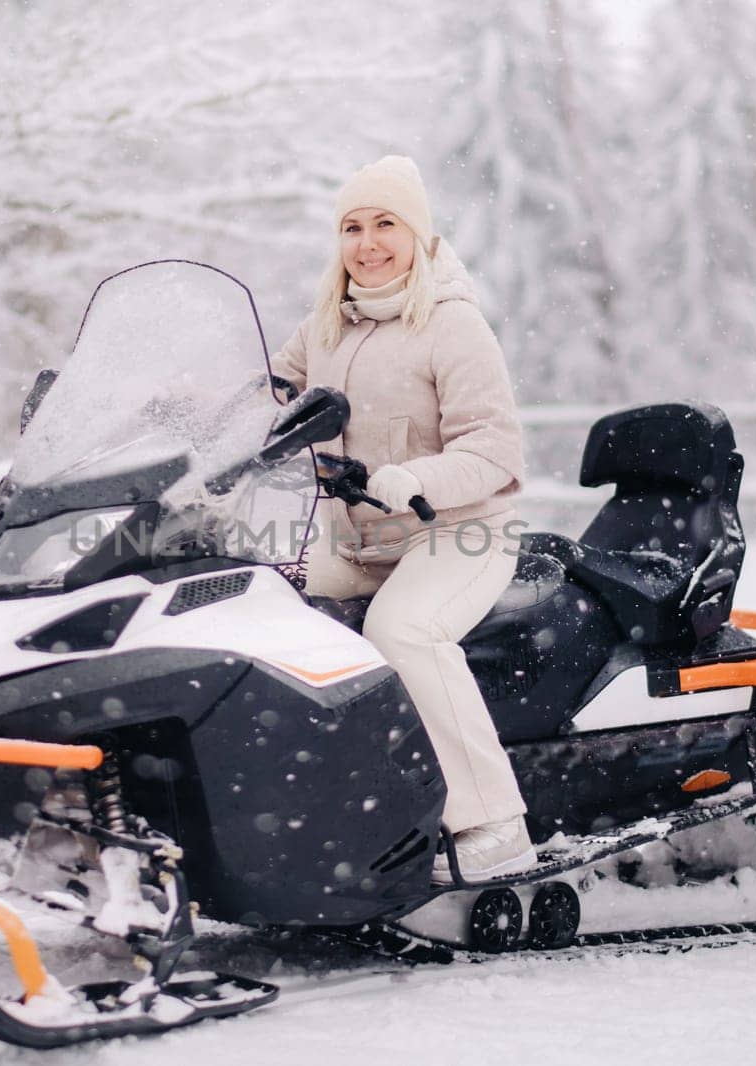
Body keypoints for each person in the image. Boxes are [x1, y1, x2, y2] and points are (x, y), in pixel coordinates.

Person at [270, 155, 536, 882]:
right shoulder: (327, 323)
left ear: (418, 235)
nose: (367, 242)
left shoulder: (451, 324)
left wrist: (414, 477)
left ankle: (493, 820)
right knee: (258, 602)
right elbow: (272, 392)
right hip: (361, 539)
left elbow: (495, 451)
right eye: (352, 226)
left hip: (461, 533)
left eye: (386, 223)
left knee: (403, 630)